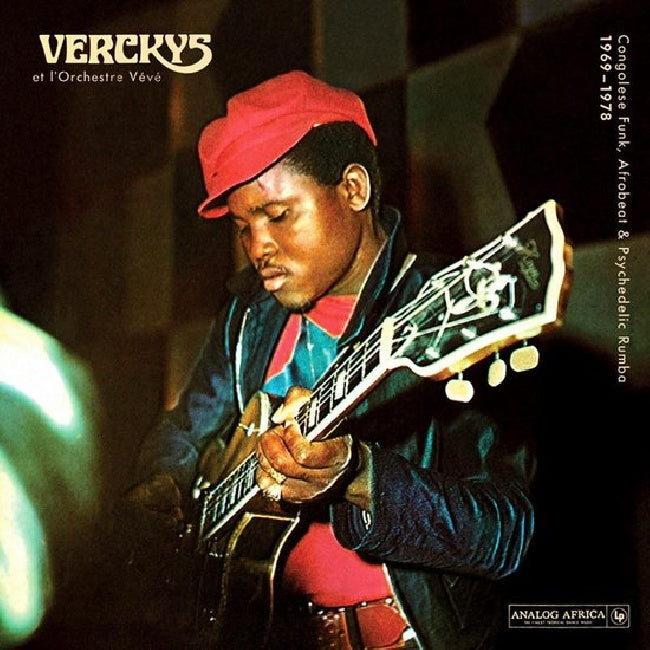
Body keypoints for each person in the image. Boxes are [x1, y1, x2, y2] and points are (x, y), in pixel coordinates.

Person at [122, 70, 537, 650]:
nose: (257, 248)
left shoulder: (449, 316)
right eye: (243, 228)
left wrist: (360, 476)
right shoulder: (247, 317)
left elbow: (508, 536)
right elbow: (184, 431)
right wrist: (161, 487)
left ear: (353, 189)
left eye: (278, 215)